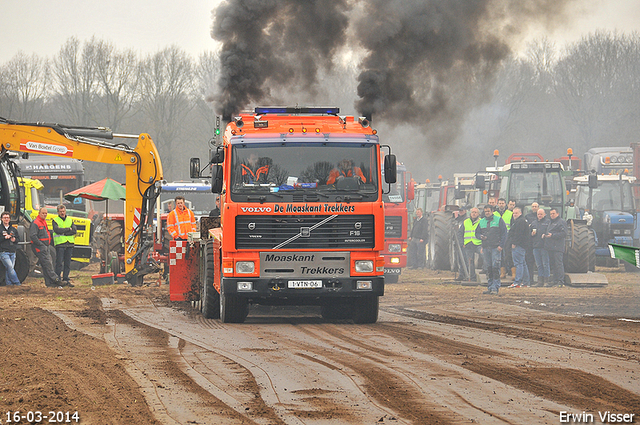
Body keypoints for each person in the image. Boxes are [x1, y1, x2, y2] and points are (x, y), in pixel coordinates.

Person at [476, 205, 507, 295]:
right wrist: (480, 237)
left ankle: (495, 287)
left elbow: (504, 233)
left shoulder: (498, 220)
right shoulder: (481, 222)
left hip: (495, 247)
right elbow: (477, 233)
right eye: (485, 211)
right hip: (486, 247)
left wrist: (501, 246)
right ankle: (490, 287)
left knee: (495, 267)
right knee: (489, 268)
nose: (487, 213)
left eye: (488, 211)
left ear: (492, 211)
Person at [29, 207, 62, 288]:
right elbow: (33, 236)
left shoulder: (43, 222)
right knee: (48, 263)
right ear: (39, 213)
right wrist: (40, 244)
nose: (45, 215)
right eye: (43, 213)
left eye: (46, 213)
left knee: (45, 265)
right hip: (40, 247)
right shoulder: (35, 223)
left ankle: (49, 283)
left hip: (45, 246)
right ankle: (56, 279)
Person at [52, 204, 77, 287]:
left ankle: (66, 279)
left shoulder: (70, 220)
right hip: (60, 244)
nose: (62, 213)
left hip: (69, 244)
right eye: (60, 212)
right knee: (59, 262)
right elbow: (57, 230)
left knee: (67, 263)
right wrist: (68, 229)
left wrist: (63, 231)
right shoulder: (55, 220)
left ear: (65, 211)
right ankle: (58, 279)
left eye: (63, 211)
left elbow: (74, 231)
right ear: (58, 212)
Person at [544, 208, 567, 287]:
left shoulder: (561, 222)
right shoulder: (550, 222)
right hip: (551, 247)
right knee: (553, 264)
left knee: (558, 264)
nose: (552, 215)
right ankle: (555, 280)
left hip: (558, 247)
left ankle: (561, 281)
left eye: (553, 214)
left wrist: (552, 235)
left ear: (557, 214)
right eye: (550, 214)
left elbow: (564, 233)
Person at [508, 207, 531, 288]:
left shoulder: (520, 222)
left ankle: (517, 282)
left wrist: (514, 243)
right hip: (523, 245)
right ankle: (525, 282)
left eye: (516, 213)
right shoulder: (522, 221)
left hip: (519, 246)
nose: (514, 215)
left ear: (520, 213)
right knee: (523, 263)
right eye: (513, 213)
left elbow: (518, 234)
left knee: (518, 263)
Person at [530, 208, 550, 287]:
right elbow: (529, 233)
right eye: (538, 214)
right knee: (539, 265)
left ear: (544, 214)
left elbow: (550, 232)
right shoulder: (534, 223)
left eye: (541, 214)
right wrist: (531, 234)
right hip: (536, 246)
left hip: (545, 247)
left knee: (545, 264)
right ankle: (540, 281)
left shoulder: (548, 222)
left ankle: (546, 281)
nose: (540, 215)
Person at [0, 211, 21, 286]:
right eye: (5, 218)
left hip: (12, 251)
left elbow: (18, 239)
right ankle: (17, 283)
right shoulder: (0, 229)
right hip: (3, 252)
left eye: (8, 218)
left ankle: (9, 284)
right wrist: (4, 237)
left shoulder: (13, 229)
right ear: (1, 219)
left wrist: (14, 239)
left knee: (9, 269)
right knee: (10, 267)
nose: (6, 219)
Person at [461, 207, 482, 282]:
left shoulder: (481, 222)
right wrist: (462, 243)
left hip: (478, 244)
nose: (474, 213)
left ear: (478, 214)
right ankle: (472, 278)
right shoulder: (465, 222)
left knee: (484, 256)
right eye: (472, 212)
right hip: (468, 244)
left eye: (475, 212)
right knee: (470, 261)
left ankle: (486, 272)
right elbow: (460, 233)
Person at [494, 198, 514, 278]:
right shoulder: (494, 213)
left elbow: (512, 225)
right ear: (497, 204)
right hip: (498, 237)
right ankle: (503, 273)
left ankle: (513, 273)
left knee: (509, 255)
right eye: (500, 203)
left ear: (505, 204)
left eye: (503, 203)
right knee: (500, 255)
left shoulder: (510, 213)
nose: (501, 205)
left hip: (508, 237)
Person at [524, 202, 540, 276]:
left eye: (536, 206)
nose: (534, 208)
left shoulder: (542, 218)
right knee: (529, 260)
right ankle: (530, 278)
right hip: (529, 242)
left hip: (540, 242)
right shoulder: (527, 216)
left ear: (538, 208)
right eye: (533, 206)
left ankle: (542, 278)